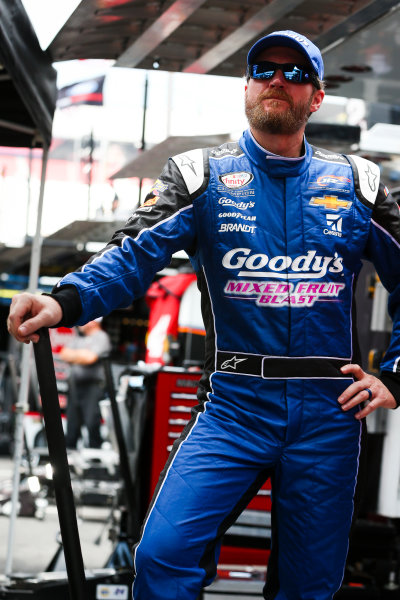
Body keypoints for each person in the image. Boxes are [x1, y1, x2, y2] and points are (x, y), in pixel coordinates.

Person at [7, 29, 400, 600]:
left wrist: (393, 376)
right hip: (235, 406)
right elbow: (131, 254)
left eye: (295, 75)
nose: (278, 81)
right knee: (163, 554)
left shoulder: (360, 184)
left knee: (310, 587)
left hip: (328, 411)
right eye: (265, 68)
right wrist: (63, 299)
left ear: (316, 97)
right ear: (247, 85)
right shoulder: (200, 175)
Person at [59, 318, 111, 449]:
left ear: (93, 321)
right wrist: (80, 356)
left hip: (92, 387)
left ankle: (94, 463)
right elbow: (63, 354)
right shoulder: (79, 338)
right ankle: (69, 460)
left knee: (92, 424)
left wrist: (75, 356)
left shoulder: (101, 337)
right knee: (72, 426)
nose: (80, 323)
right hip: (75, 386)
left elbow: (90, 358)